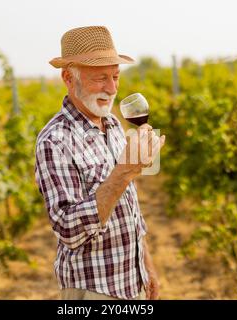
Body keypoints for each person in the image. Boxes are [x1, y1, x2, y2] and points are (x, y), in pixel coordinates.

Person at [34, 26, 165, 300]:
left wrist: (147, 267)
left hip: (132, 283)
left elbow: (129, 206)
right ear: (69, 78)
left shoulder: (114, 124)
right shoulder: (55, 141)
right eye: (101, 78)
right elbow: (68, 229)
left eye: (116, 77)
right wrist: (123, 172)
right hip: (94, 291)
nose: (112, 88)